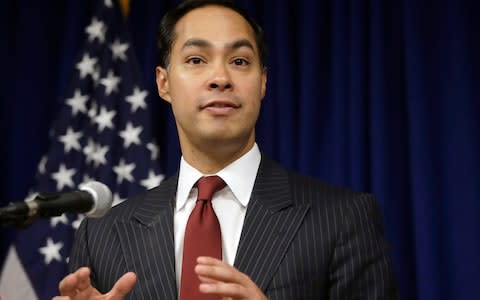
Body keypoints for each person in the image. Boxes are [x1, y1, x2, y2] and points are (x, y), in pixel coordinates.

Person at [54, 0, 399, 299]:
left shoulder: (343, 218)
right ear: (164, 83)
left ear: (262, 82)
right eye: (196, 60)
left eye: (239, 61)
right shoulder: (102, 234)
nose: (220, 77)